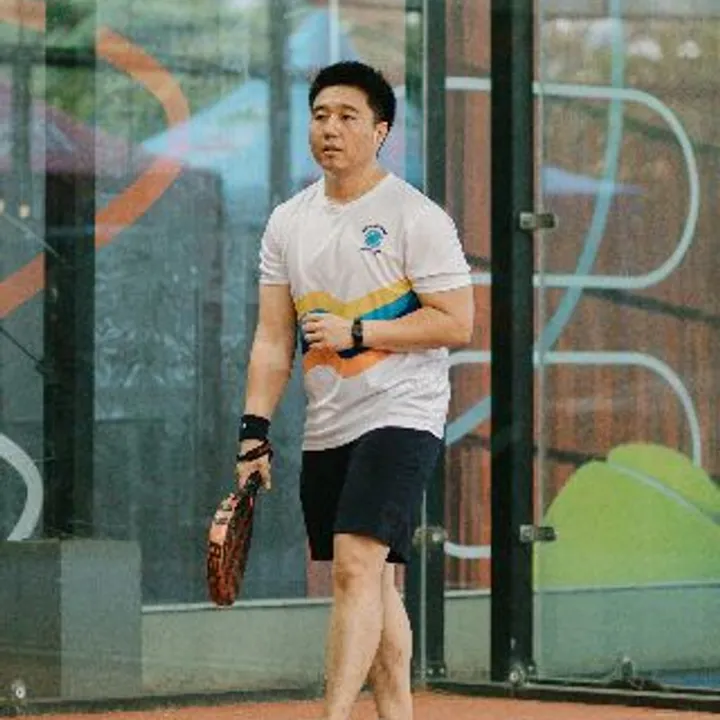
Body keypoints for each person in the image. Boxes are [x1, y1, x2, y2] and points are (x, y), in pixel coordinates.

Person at [235, 61, 473, 720]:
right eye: (320, 116)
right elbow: (272, 340)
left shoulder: (415, 217)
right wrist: (253, 433)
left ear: (381, 131)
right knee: (372, 582)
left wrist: (360, 330)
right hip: (329, 421)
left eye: (347, 117)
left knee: (354, 566)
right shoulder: (288, 222)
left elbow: (457, 321)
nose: (330, 129)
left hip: (404, 412)